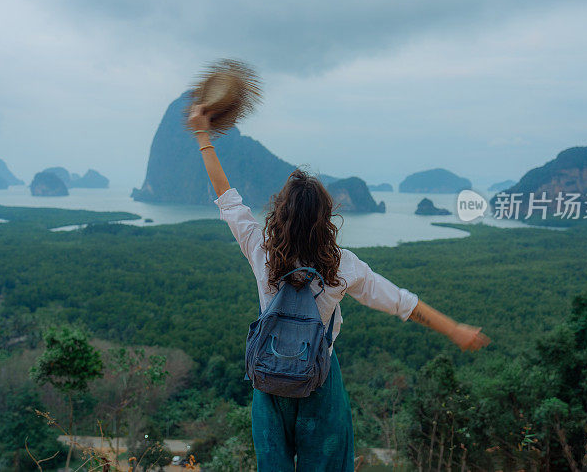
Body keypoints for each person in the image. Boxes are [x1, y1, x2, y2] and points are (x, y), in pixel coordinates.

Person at [187, 103, 490, 471]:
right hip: (320, 382)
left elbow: (227, 197)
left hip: (269, 381)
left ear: (279, 215)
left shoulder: (261, 251)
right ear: (324, 220)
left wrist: (203, 134)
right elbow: (401, 303)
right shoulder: (342, 266)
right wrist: (454, 330)